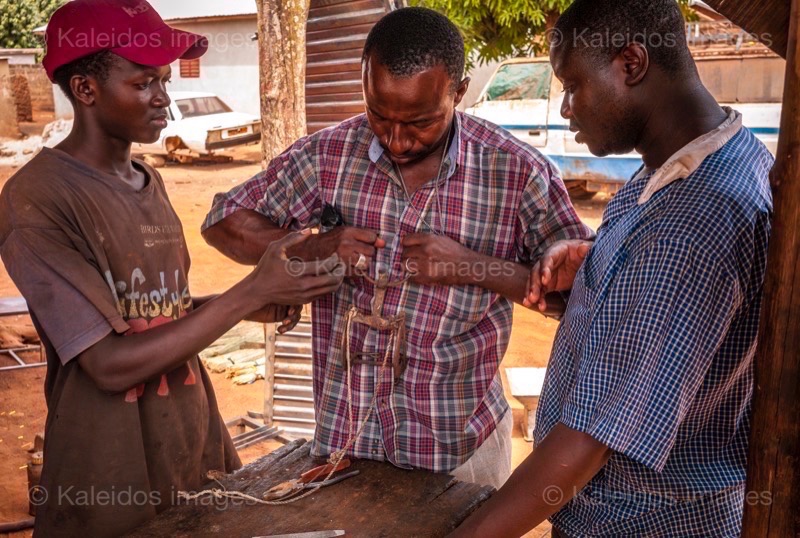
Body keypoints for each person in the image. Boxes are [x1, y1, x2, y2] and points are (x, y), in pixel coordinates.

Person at [202, 7, 593, 489]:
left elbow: (581, 293)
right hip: (344, 444)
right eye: (379, 115)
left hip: (458, 450)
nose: (396, 140)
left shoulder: (517, 172)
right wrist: (311, 250)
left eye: (421, 123)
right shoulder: (327, 155)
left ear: (459, 91)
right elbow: (222, 221)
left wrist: (470, 266)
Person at [0, 1, 342, 536]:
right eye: (143, 84)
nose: (164, 99)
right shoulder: (37, 200)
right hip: (107, 468)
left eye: (163, 81)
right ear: (86, 90)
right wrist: (249, 291)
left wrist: (256, 304)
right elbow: (108, 363)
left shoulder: (147, 179)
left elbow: (157, 314)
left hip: (187, 436)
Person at [452, 0, 774, 536]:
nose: (566, 109)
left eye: (573, 86)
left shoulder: (688, 224)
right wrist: (601, 261)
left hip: (644, 521)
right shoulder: (704, 161)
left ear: (631, 64)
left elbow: (587, 442)